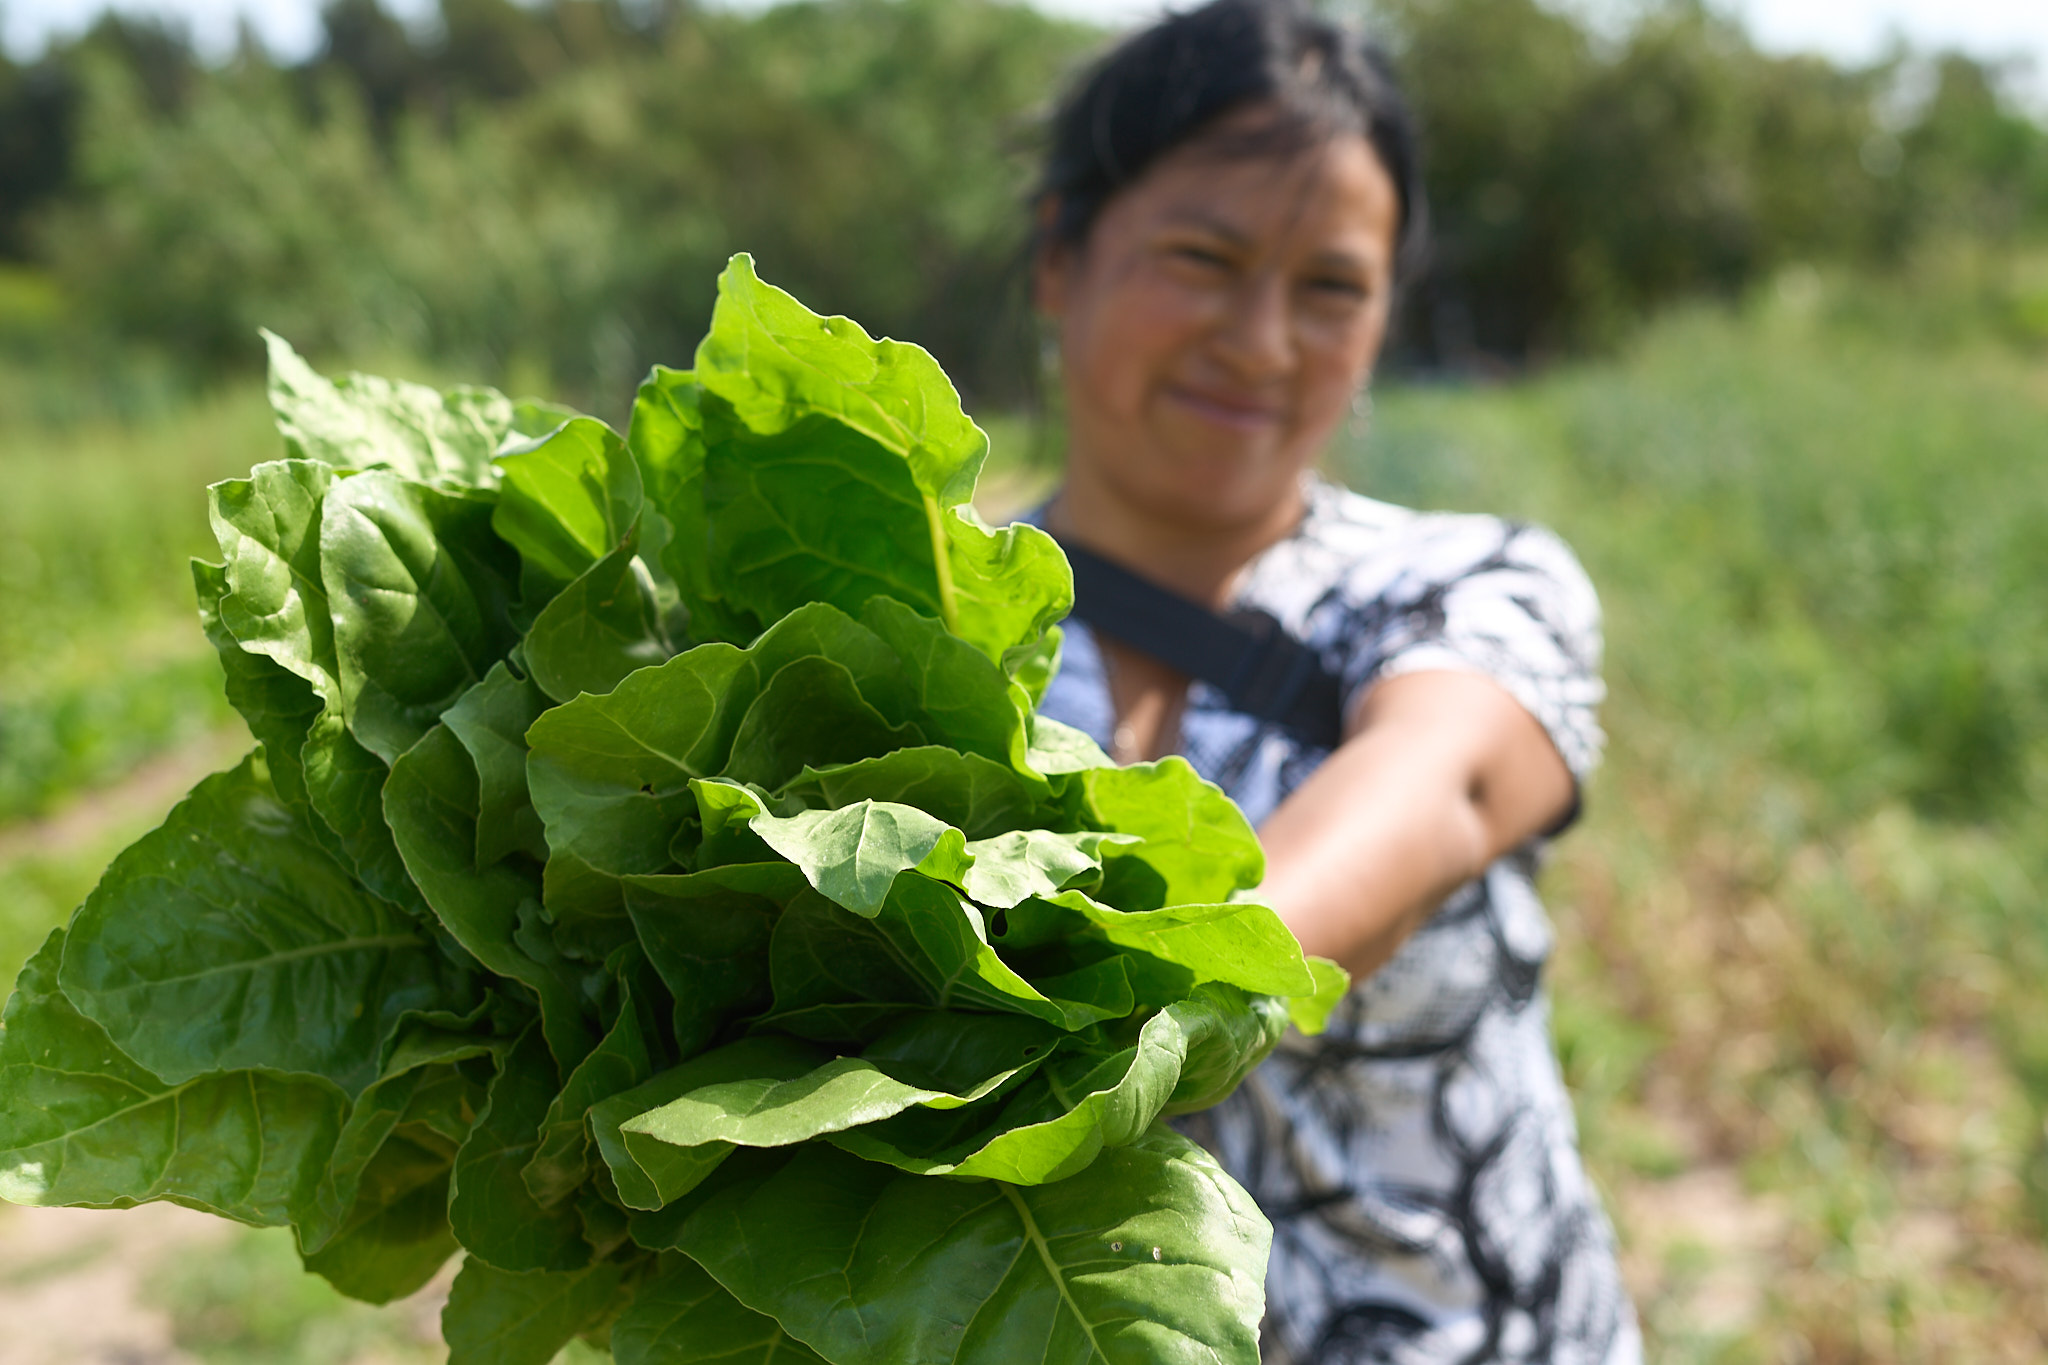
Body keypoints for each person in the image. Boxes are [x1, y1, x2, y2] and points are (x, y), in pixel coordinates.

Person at [1025, 2, 1643, 1361]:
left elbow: (1429, 795)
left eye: (1332, 287)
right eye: (1204, 257)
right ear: (1061, 257)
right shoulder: (926, 630)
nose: (1262, 340)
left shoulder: (1468, 584)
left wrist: (1014, 1025)